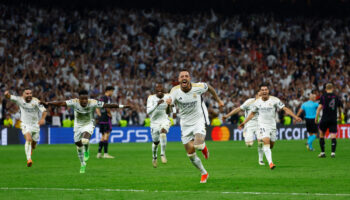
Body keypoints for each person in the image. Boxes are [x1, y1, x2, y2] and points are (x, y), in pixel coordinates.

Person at [42, 90, 130, 173]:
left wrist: (122, 106)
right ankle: (82, 163)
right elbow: (61, 103)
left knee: (85, 140)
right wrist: (48, 103)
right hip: (77, 126)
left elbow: (108, 105)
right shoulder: (74, 102)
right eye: (82, 99)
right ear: (79, 99)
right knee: (78, 146)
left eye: (85, 98)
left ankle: (87, 149)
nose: (84, 101)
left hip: (89, 124)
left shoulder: (93, 102)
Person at [166, 70, 224, 183]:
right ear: (179, 80)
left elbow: (210, 88)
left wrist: (218, 100)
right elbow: (169, 110)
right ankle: (204, 173)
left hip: (198, 120)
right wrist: (168, 105)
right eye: (181, 76)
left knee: (198, 145)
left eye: (186, 76)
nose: (184, 78)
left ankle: (204, 148)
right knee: (190, 154)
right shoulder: (174, 91)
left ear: (189, 78)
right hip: (185, 124)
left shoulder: (199, 87)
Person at [239, 83, 301, 170]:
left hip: (272, 125)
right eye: (262, 90)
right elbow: (252, 114)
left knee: (271, 145)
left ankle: (267, 155)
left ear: (268, 91)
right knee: (266, 141)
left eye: (266, 90)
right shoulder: (257, 102)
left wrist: (295, 117)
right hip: (262, 125)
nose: (264, 91)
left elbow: (285, 109)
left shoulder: (274, 100)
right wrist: (244, 122)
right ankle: (271, 163)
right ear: (260, 92)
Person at [4, 89, 47, 167]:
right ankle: (29, 160)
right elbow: (9, 97)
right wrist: (6, 94)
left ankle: (30, 150)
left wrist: (42, 119)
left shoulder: (36, 101)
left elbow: (44, 111)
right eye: (27, 93)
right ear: (23, 94)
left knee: (34, 145)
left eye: (30, 93)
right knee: (28, 139)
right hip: (25, 124)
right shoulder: (19, 100)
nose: (29, 95)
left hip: (35, 125)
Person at [223, 92, 265, 166]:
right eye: (260, 95)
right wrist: (227, 115)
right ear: (256, 96)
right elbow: (238, 109)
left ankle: (261, 160)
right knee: (249, 145)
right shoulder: (249, 102)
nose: (261, 97)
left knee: (261, 142)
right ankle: (245, 133)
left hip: (259, 124)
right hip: (249, 123)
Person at [146, 83, 172, 168]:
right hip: (154, 122)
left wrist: (169, 105)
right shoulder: (151, 98)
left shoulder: (168, 96)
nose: (159, 89)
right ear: (155, 90)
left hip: (164, 119)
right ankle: (154, 157)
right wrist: (156, 104)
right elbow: (148, 112)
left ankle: (162, 154)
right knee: (156, 142)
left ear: (163, 89)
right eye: (157, 88)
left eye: (161, 87)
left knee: (163, 132)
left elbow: (169, 112)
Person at [315, 83, 342, 158]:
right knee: (333, 135)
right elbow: (340, 108)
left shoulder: (323, 96)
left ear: (325, 89)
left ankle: (323, 153)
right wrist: (340, 116)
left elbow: (319, 108)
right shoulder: (336, 97)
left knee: (321, 134)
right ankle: (333, 153)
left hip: (325, 118)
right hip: (333, 119)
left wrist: (316, 117)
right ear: (332, 88)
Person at [96, 86, 115, 159]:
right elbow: (107, 107)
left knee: (103, 136)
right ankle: (106, 154)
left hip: (102, 118)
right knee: (107, 134)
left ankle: (99, 153)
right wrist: (109, 113)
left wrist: (100, 115)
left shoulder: (101, 98)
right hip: (106, 118)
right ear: (108, 91)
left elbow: (97, 108)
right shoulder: (107, 98)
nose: (112, 93)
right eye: (112, 91)